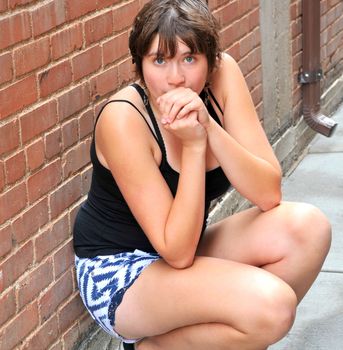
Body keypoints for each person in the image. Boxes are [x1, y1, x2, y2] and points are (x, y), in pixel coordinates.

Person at [73, 1, 331, 349]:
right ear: (139, 65)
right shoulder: (124, 120)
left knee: (308, 229)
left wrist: (208, 127)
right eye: (159, 60)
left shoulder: (224, 77)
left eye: (189, 59)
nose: (175, 77)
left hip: (187, 245)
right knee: (272, 307)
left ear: (210, 62)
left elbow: (269, 192)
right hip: (123, 273)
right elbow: (176, 253)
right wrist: (194, 148)